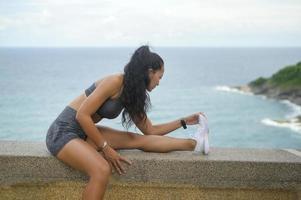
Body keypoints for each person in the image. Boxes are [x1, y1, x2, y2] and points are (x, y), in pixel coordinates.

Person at [46, 45, 203, 200]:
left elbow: (150, 131)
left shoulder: (132, 93)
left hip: (85, 132)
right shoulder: (115, 81)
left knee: (138, 140)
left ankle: (194, 144)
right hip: (63, 132)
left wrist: (183, 121)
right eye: (159, 77)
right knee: (101, 169)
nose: (159, 82)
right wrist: (106, 148)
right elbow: (82, 115)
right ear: (150, 72)